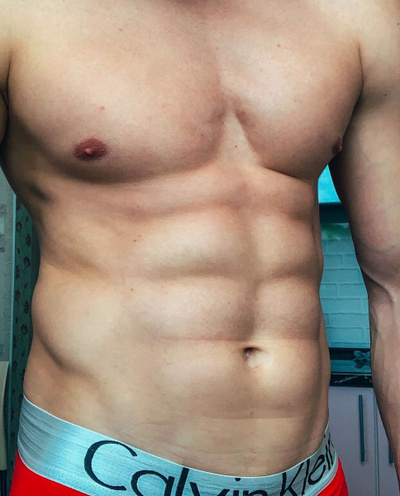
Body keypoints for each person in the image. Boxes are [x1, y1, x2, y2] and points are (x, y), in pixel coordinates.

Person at [0, 0, 399, 494]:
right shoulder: (20, 16)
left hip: (312, 479)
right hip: (96, 476)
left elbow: (395, 291)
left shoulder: (358, 15)